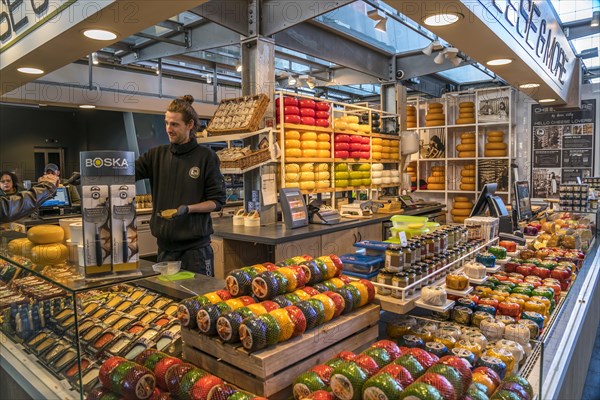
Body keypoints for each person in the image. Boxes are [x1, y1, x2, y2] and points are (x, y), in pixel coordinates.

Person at [135, 95, 226, 276]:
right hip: (165, 251)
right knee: (170, 301)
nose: (169, 129)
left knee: (199, 299)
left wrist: (188, 209)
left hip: (196, 252)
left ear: (190, 125)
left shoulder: (205, 157)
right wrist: (93, 173)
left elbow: (217, 201)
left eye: (175, 124)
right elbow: (126, 172)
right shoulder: (156, 155)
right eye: (167, 123)